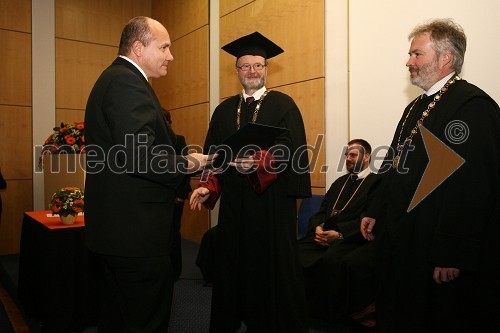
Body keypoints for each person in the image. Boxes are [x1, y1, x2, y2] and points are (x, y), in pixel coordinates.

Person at [360, 18, 500, 333]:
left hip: (435, 244)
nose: (408, 62)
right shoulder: (415, 107)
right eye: (411, 55)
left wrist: (453, 252)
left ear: (445, 58)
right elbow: (395, 163)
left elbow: (475, 189)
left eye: (417, 55)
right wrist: (374, 209)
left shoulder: (473, 108)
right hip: (404, 236)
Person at [84, 16, 213, 333]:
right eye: (165, 47)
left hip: (119, 232)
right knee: (145, 321)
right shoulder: (127, 82)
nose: (170, 56)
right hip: (136, 235)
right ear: (138, 48)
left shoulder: (116, 78)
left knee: (117, 317)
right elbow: (140, 155)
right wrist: (190, 162)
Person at [190, 32, 312, 332]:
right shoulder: (223, 110)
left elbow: (290, 150)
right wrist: (207, 185)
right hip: (234, 203)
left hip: (270, 205)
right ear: (237, 71)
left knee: (270, 268)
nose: (252, 71)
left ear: (267, 69)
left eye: (258, 65)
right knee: (232, 264)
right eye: (245, 66)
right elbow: (213, 154)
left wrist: (257, 161)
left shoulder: (283, 105)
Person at [298, 139, 380, 328]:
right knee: (296, 251)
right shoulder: (339, 182)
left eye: (353, 155)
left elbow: (368, 218)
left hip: (352, 237)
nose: (348, 159)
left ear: (366, 157)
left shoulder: (377, 182)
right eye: (347, 155)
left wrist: (339, 235)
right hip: (324, 234)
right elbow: (323, 210)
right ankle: (302, 308)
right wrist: (317, 228)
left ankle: (331, 316)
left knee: (333, 260)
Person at [162, 108, 192, 281]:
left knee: (173, 232)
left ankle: (175, 271)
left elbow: (186, 169)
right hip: (160, 198)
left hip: (176, 196)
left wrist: (180, 194)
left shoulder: (178, 140)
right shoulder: (150, 142)